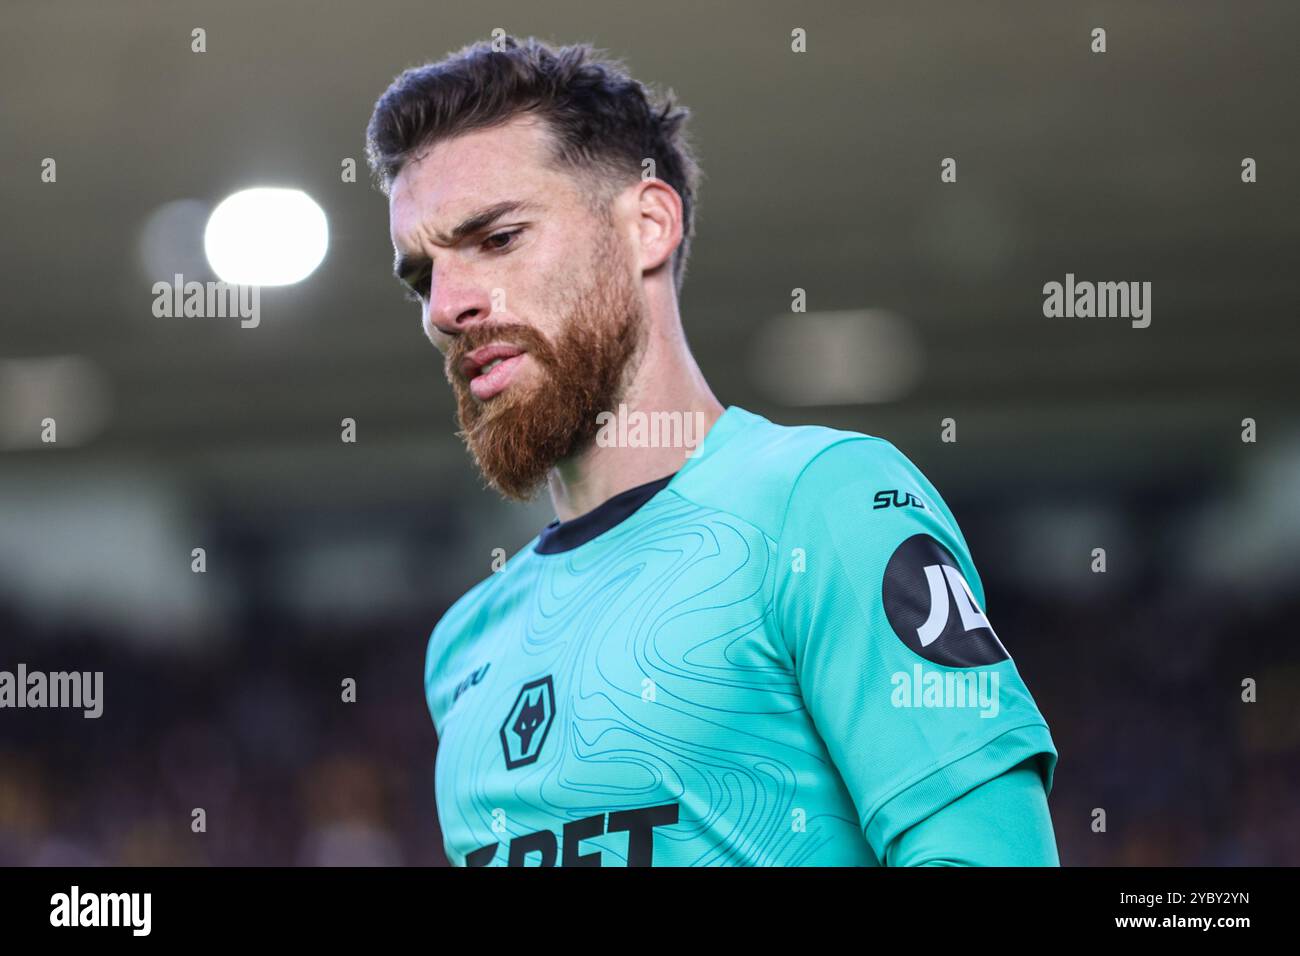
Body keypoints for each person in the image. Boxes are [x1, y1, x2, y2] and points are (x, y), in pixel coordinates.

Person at [365, 35, 1058, 866]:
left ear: (648, 225)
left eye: (499, 238)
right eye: (422, 277)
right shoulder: (463, 649)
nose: (447, 306)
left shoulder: (822, 505)